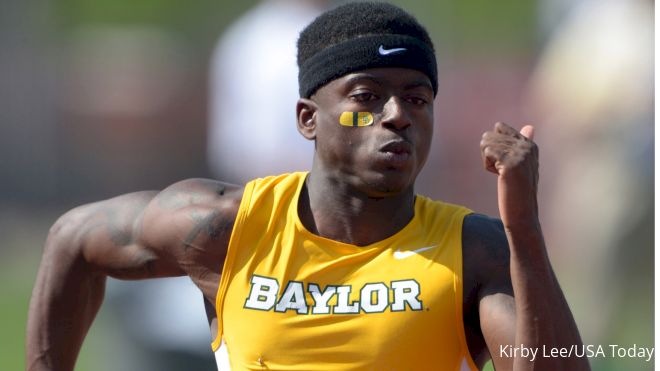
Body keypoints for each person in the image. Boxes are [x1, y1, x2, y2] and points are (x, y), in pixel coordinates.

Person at [26, 3, 589, 370]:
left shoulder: (475, 251)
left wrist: (524, 230)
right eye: (366, 97)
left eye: (417, 99)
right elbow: (73, 239)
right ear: (307, 119)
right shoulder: (226, 227)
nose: (397, 116)